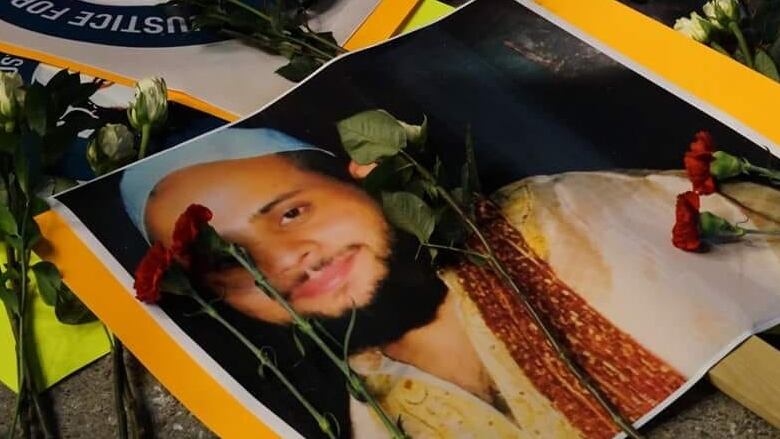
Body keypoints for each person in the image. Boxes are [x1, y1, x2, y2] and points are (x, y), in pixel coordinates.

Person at [122, 127, 700, 439]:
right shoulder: (363, 417)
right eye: (231, 261)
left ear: (361, 181)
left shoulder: (562, 220)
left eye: (292, 213)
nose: (284, 260)